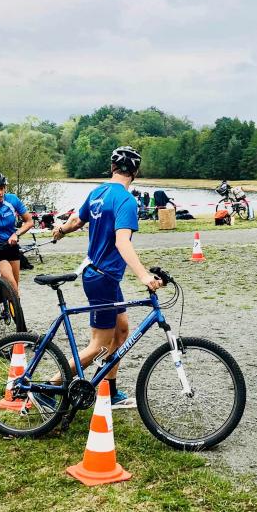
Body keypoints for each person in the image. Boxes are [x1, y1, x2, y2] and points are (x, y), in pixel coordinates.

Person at [53, 146, 162, 407]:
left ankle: (109, 390)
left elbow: (76, 221)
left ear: (112, 167)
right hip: (102, 278)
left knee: (121, 331)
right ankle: (50, 386)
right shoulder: (126, 200)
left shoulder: (97, 192)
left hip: (104, 277)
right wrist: (144, 275)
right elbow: (122, 242)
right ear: (135, 172)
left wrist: (61, 231)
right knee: (99, 346)